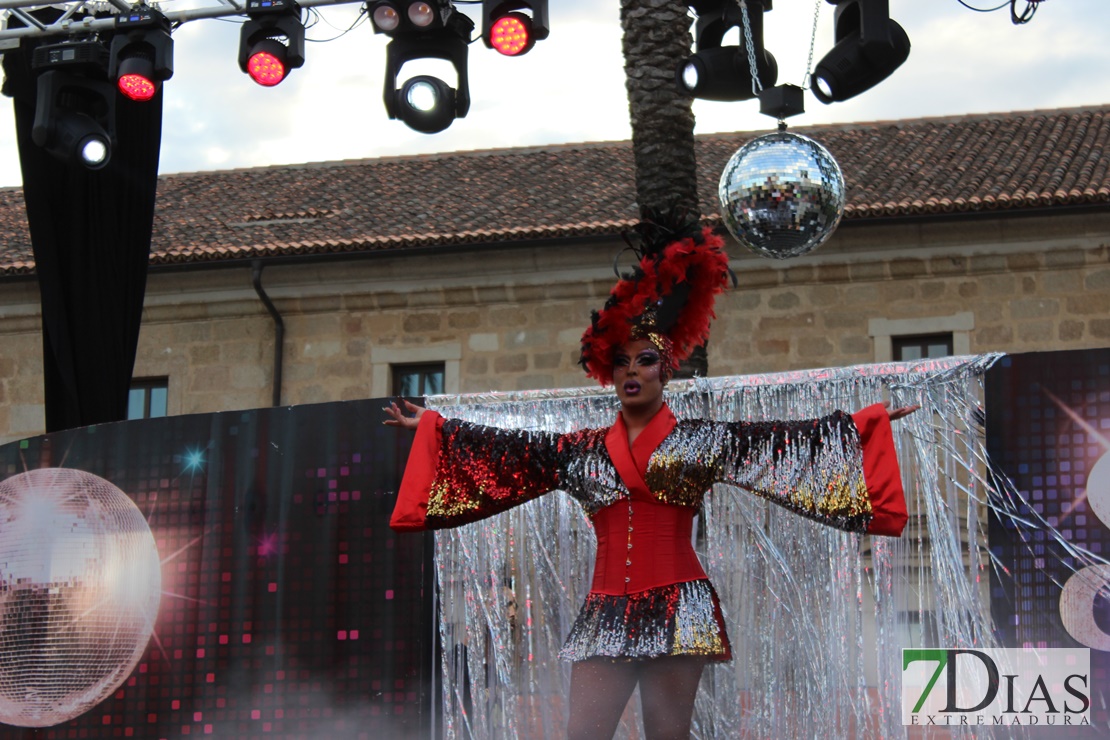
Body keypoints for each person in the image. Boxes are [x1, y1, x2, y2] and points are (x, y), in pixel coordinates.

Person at [384, 224, 917, 739]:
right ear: (607, 372)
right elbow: (510, 452)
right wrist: (434, 429)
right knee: (582, 735)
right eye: (621, 362)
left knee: (667, 734)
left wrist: (861, 428)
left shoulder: (702, 440)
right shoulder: (580, 450)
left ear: (666, 371)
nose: (632, 371)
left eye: (645, 361)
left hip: (679, 603)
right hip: (606, 609)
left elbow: (780, 444)